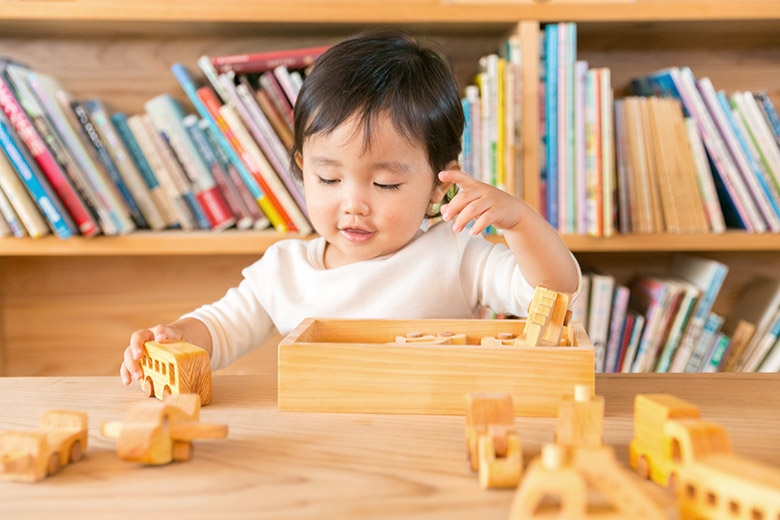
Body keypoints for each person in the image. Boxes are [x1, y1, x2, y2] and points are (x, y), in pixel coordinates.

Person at [120, 30, 580, 384]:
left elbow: (556, 294)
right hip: (321, 441)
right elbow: (220, 329)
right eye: (329, 179)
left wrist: (520, 222)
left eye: (385, 183)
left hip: (427, 437)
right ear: (303, 169)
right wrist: (176, 337)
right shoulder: (284, 271)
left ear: (439, 184)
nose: (354, 204)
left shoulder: (457, 255)